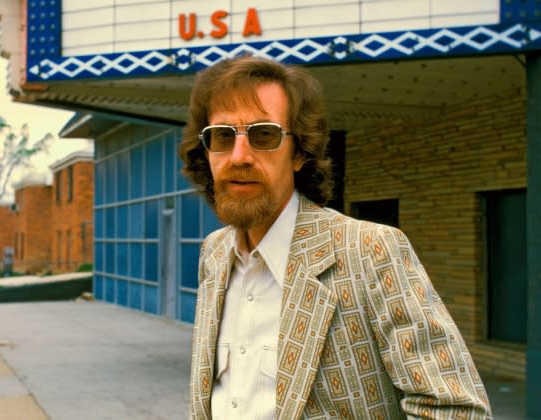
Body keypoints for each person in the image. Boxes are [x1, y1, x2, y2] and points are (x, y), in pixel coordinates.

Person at [179, 56, 492, 419]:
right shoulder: (214, 253)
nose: (240, 156)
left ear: (299, 153)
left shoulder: (369, 251)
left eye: (264, 134)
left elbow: (456, 408)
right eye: (222, 136)